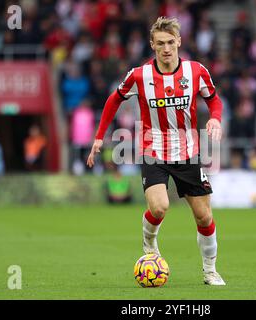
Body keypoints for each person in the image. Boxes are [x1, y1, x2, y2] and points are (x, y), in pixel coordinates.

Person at [86, 17, 225, 285]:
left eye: (171, 42)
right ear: (152, 45)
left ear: (179, 42)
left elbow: (213, 99)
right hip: (153, 151)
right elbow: (114, 99)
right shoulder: (140, 75)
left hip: (188, 153)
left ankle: (210, 270)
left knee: (204, 216)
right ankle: (149, 241)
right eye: (160, 43)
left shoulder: (196, 72)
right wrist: (99, 136)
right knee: (160, 207)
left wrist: (215, 117)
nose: (166, 49)